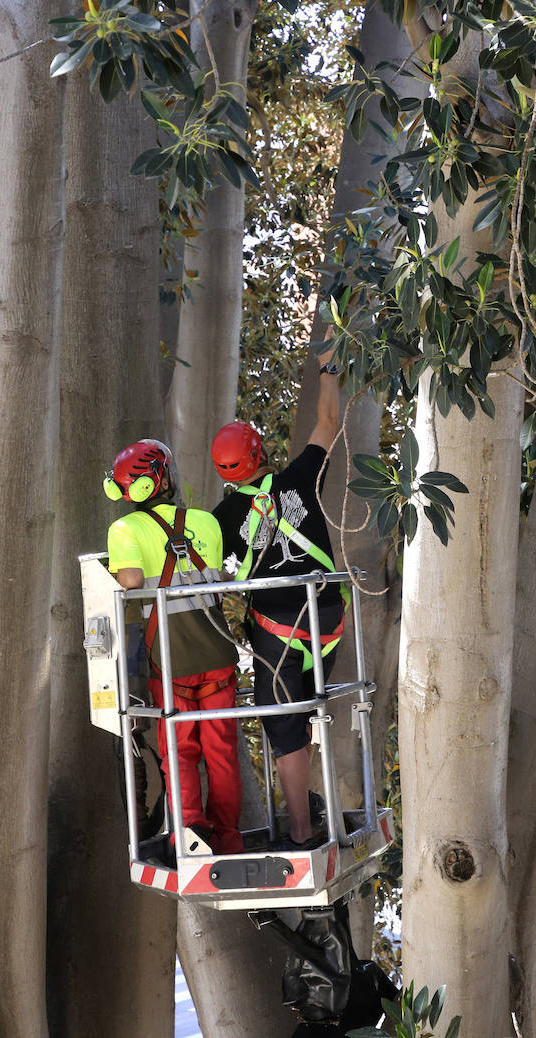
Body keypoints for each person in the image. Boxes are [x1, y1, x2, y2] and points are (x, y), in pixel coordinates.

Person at [211, 350, 343, 848]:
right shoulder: (299, 478)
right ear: (261, 453)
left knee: (284, 726)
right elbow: (327, 420)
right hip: (327, 621)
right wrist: (330, 364)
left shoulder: (222, 519)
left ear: (225, 471)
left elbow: (195, 563)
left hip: (278, 631)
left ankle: (304, 834)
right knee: (305, 713)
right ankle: (309, 807)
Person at [104, 439, 242, 855]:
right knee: (221, 755)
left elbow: (129, 582)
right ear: (163, 478)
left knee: (178, 751)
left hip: (171, 661)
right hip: (217, 656)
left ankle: (192, 835)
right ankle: (228, 839)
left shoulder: (124, 530)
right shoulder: (207, 523)